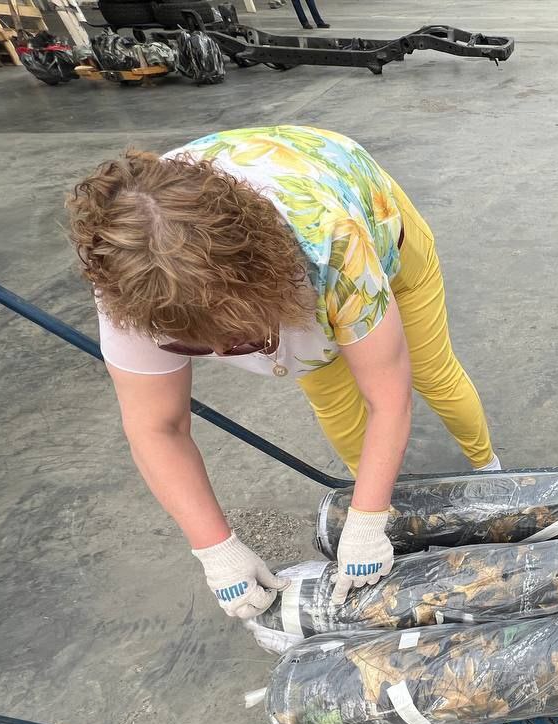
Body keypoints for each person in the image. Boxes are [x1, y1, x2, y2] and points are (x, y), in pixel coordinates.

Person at [68, 125, 499, 619]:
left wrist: (364, 522)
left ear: (266, 280)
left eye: (239, 337)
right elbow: (155, 427)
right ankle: (393, 511)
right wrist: (215, 548)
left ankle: (492, 474)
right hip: (274, 279)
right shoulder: (131, 285)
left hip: (366, 216)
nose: (224, 352)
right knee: (334, 401)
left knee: (431, 372)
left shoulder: (333, 244)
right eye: (196, 346)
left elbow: (388, 397)